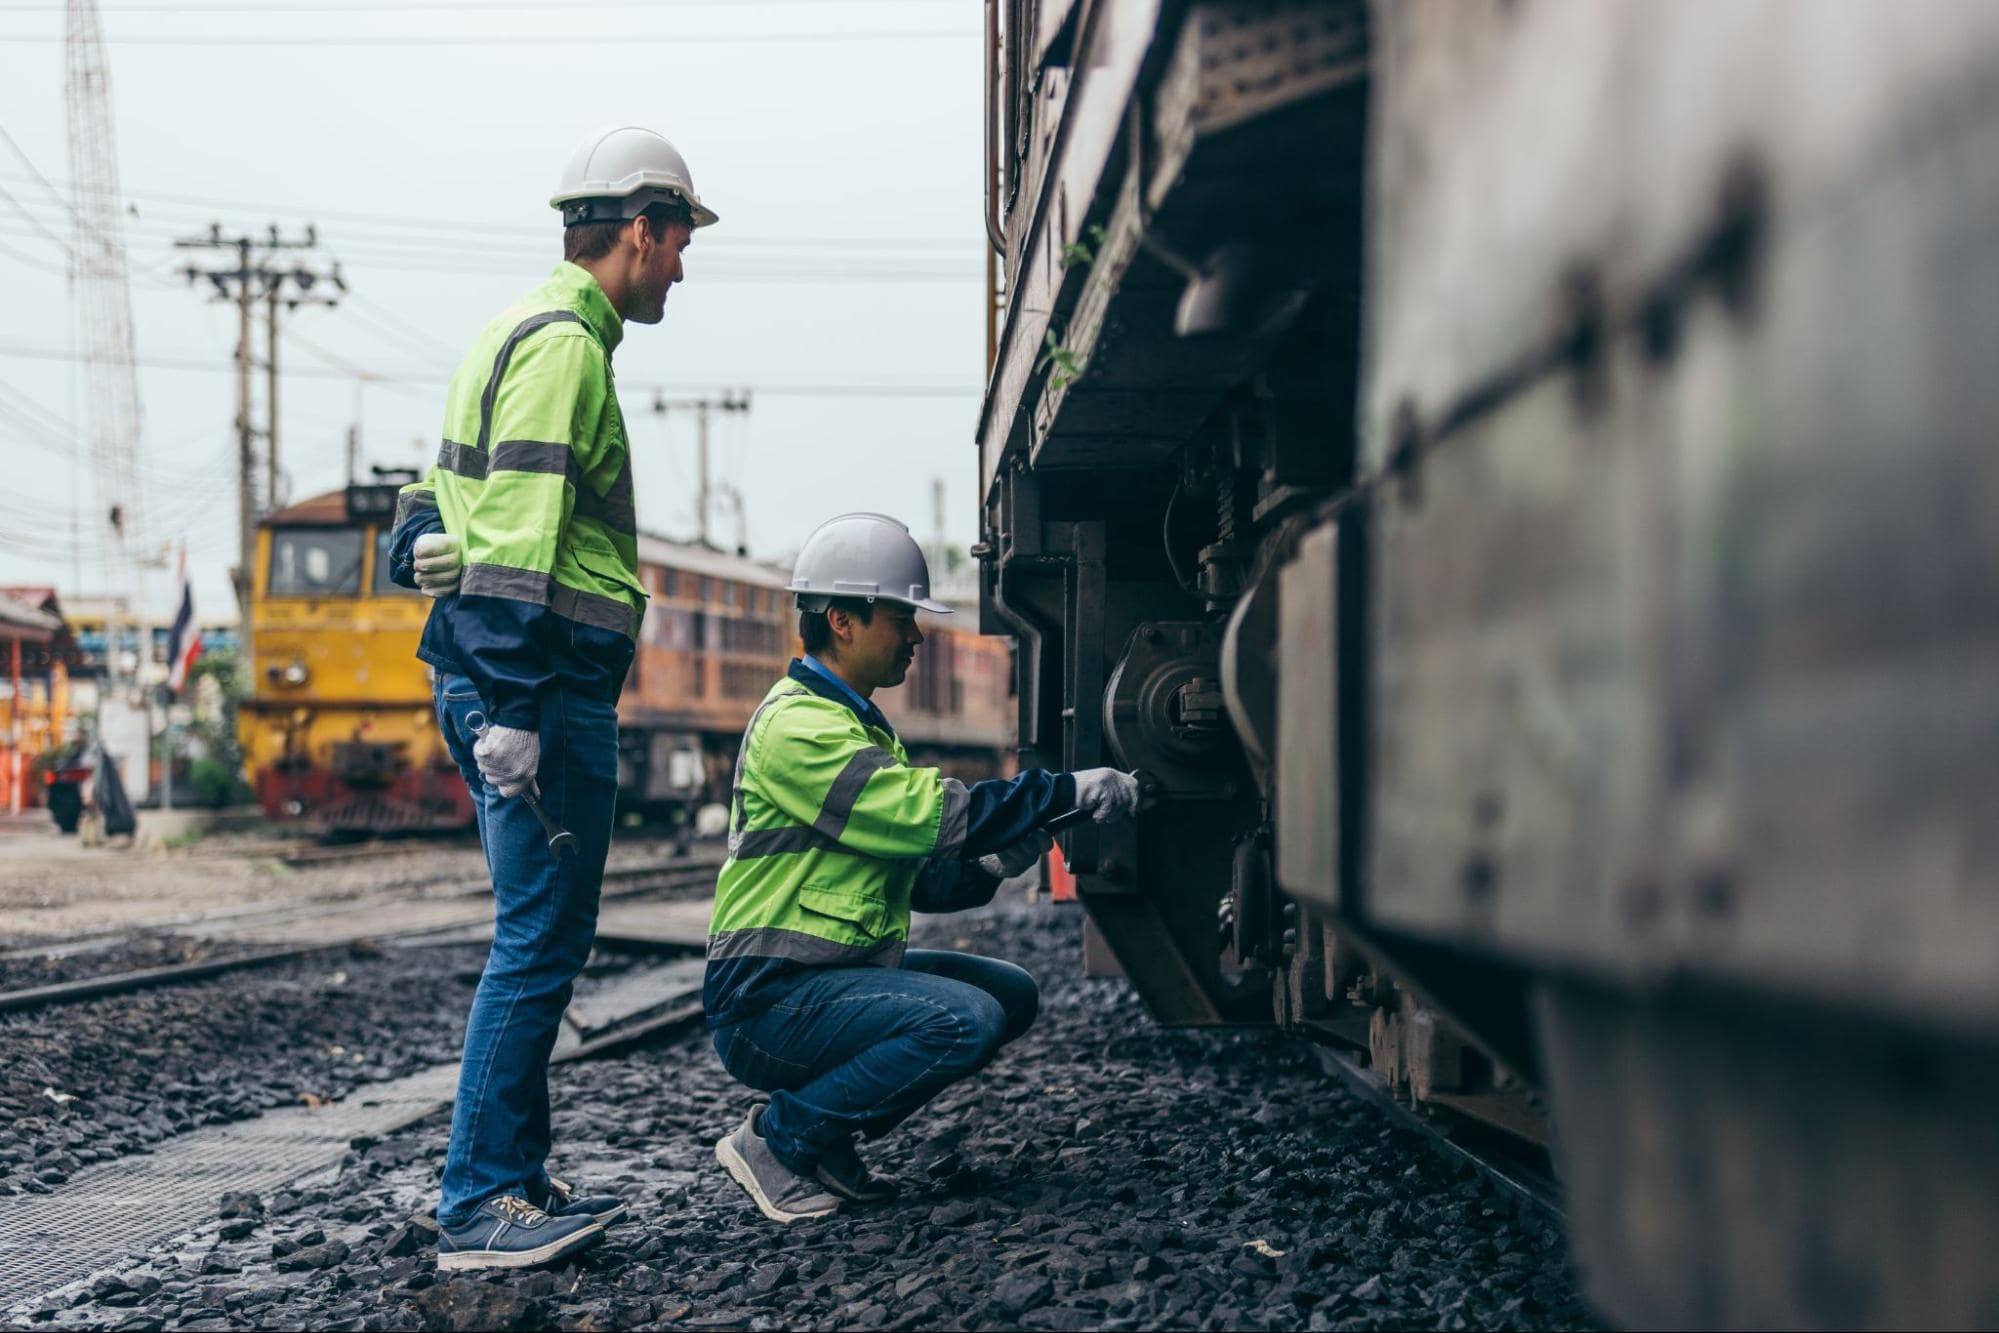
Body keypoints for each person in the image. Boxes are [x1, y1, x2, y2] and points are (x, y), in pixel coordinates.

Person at [384, 125, 717, 1272]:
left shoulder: (508, 330)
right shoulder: (568, 349)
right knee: (536, 942)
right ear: (638, 230)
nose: (681, 265)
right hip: (542, 684)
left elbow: (435, 503)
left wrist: (422, 541)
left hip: (507, 676)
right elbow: (520, 545)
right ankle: (479, 1200)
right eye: (678, 241)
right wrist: (516, 707)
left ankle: (513, 1178)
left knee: (544, 937)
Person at [705, 512, 1142, 1223]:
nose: (914, 635)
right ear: (842, 620)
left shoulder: (856, 724)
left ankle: (823, 1141)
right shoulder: (799, 726)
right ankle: (780, 1142)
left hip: (824, 980)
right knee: (961, 1019)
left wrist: (1006, 853)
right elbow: (929, 815)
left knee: (1009, 992)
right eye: (900, 616)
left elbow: (926, 877)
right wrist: (1064, 790)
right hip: (768, 998)